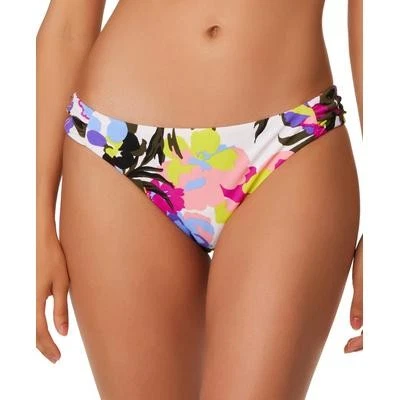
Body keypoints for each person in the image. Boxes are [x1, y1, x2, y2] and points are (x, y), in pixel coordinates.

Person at [36, 0, 363, 398]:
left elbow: (379, 23)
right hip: (118, 147)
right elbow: (68, 27)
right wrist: (35, 222)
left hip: (291, 139)